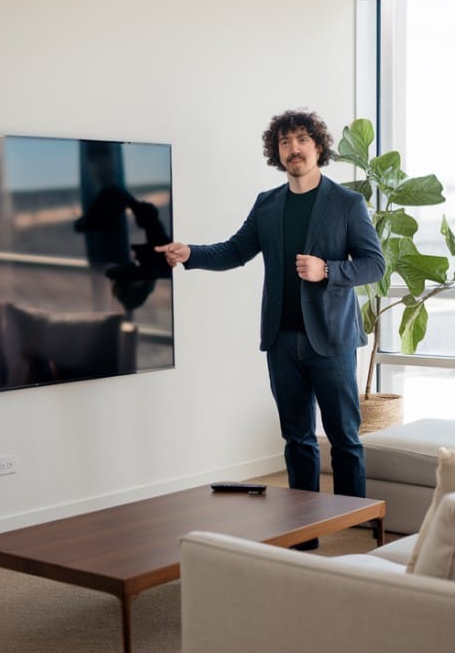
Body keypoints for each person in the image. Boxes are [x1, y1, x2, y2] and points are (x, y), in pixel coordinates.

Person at [155, 109, 385, 527]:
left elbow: (374, 265)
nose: (293, 149)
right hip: (282, 340)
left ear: (318, 146)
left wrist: (329, 270)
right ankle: (305, 526)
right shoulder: (268, 204)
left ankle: (352, 524)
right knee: (297, 440)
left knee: (344, 439)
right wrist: (190, 254)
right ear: (276, 152)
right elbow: (235, 251)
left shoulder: (346, 203)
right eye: (284, 142)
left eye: (301, 140)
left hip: (331, 341)